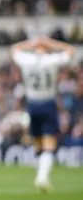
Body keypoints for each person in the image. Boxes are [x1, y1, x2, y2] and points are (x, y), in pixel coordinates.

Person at [11, 36, 75, 191]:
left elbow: (14, 49)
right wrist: (50, 43)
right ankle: (42, 177)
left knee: (38, 143)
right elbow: (71, 51)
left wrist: (31, 43)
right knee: (49, 142)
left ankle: (41, 175)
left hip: (32, 104)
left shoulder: (27, 59)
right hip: (47, 103)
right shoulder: (51, 60)